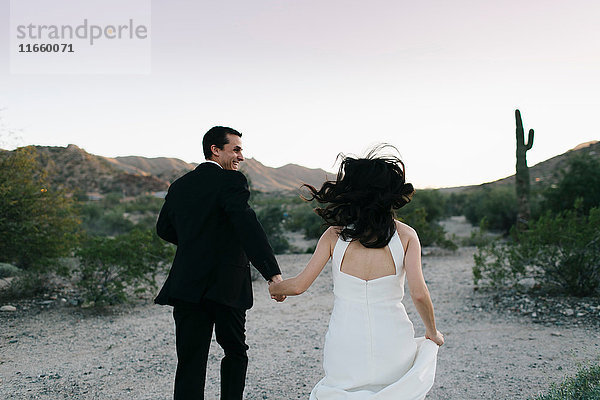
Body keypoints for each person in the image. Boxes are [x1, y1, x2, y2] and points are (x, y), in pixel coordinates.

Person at [268, 146, 444, 399]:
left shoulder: (334, 235)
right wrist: (432, 332)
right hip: (392, 340)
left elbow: (298, 286)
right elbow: (418, 293)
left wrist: (275, 288)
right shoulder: (407, 236)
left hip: (346, 342)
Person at [155, 126, 285, 400]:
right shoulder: (231, 181)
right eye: (236, 149)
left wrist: (196, 243)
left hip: (187, 284)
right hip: (227, 284)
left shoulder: (179, 186)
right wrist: (272, 274)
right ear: (216, 149)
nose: (241, 156)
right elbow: (246, 225)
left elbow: (164, 229)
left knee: (190, 360)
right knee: (235, 352)